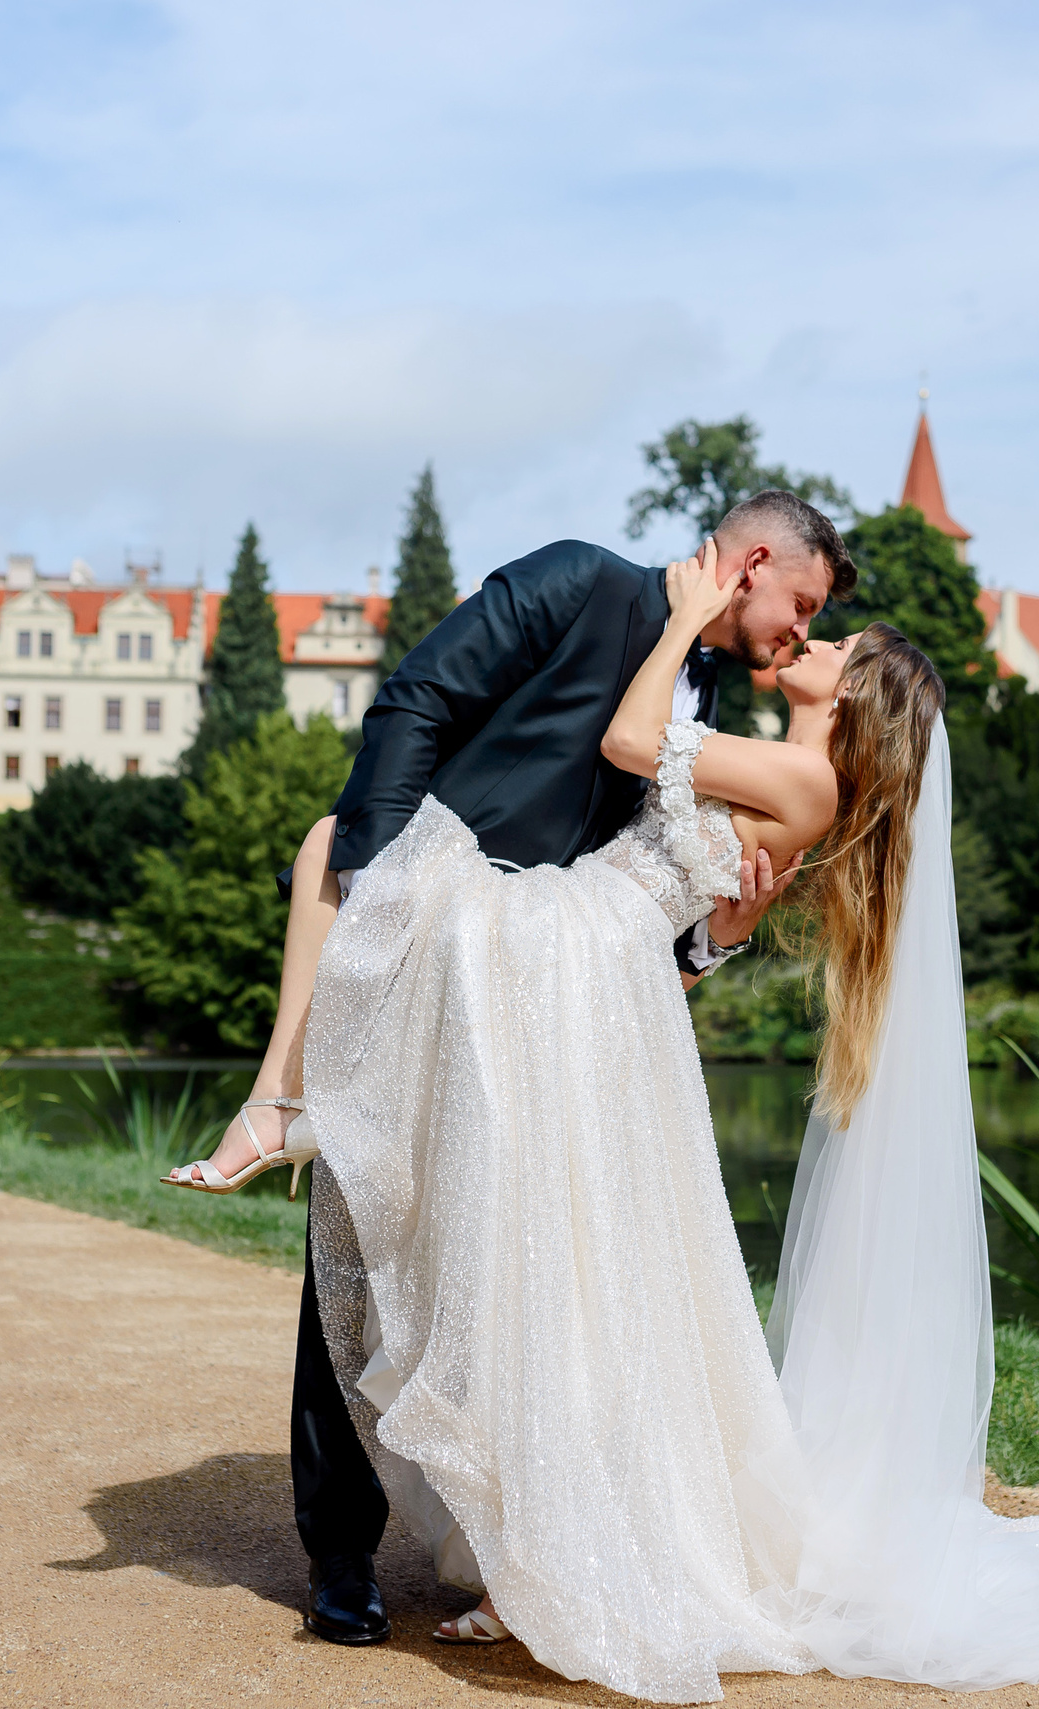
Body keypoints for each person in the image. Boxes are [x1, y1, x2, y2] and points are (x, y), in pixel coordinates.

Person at [278, 543, 1039, 1701]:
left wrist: (684, 623)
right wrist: (717, 930)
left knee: (566, 1281)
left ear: (848, 700)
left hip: (570, 984)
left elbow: (634, 760)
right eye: (811, 615)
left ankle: (549, 1549)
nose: (810, 640)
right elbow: (645, 857)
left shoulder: (794, 774)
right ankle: (470, 1532)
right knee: (551, 1272)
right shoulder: (730, 721)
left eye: (831, 642)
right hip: (569, 976)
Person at [165, 493, 844, 1645]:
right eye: (803, 605)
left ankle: (509, 1539)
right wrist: (381, 893)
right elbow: (416, 699)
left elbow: (653, 882)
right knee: (361, 1235)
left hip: (549, 1005)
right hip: (439, 925)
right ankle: (340, 1553)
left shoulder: (711, 692)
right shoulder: (582, 580)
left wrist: (717, 939)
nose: (797, 631)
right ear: (756, 560)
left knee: (508, 1260)